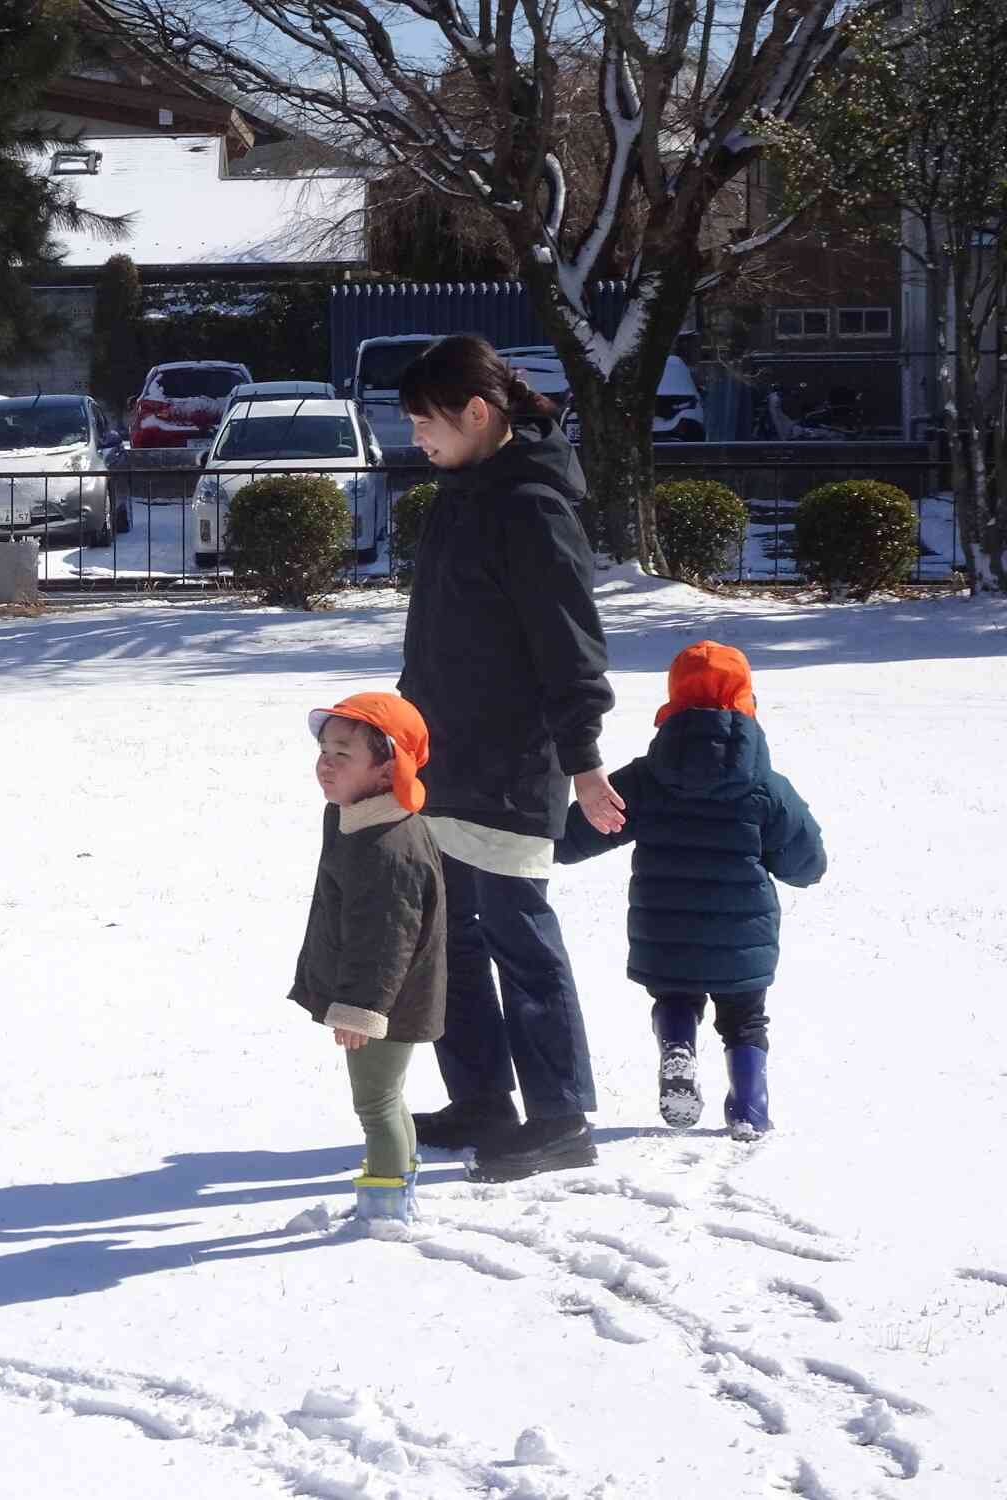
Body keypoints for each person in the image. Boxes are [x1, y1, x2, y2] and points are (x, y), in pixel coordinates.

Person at [395, 335, 621, 1182]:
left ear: (477, 414)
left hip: (511, 763)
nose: (415, 436)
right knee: (445, 939)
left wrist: (585, 759)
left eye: (426, 421)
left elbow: (570, 646)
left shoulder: (532, 506)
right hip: (443, 758)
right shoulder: (462, 493)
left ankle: (560, 1117)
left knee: (521, 938)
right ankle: (482, 1098)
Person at [556, 641, 826, 1139]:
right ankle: (749, 1107)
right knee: (745, 1020)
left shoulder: (645, 778)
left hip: (666, 929)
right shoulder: (765, 786)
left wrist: (539, 840)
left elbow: (576, 834)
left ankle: (678, 1045)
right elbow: (807, 861)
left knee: (676, 997)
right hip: (742, 935)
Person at [288, 692, 447, 1225]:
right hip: (378, 990)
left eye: (343, 754)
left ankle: (382, 1211)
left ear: (387, 769)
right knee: (387, 1096)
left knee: (374, 1103)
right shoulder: (351, 817)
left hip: (386, 997)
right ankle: (399, 1188)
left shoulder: (388, 847)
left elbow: (386, 938)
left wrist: (358, 1007)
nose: (325, 764)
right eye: (323, 750)